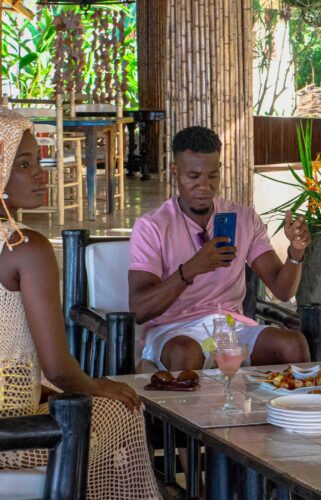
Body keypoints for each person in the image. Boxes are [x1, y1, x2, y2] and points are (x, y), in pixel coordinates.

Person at [0, 110, 160, 499]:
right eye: (22, 164)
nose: (41, 173)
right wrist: (98, 385)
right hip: (12, 437)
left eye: (38, 161)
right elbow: (58, 368)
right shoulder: (25, 247)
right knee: (123, 410)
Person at [129, 126, 311, 371]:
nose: (204, 186)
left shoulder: (244, 218)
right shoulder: (152, 227)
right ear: (175, 172)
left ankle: (289, 409)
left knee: (293, 345)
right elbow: (140, 308)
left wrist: (295, 252)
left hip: (231, 326)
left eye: (212, 176)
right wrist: (192, 269)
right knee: (187, 353)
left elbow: (282, 290)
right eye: (193, 177)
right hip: (173, 330)